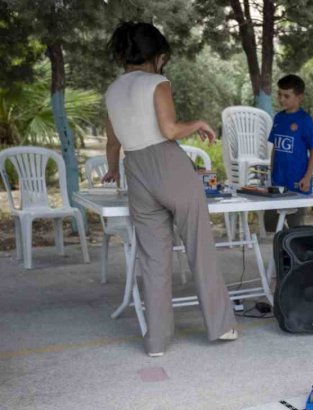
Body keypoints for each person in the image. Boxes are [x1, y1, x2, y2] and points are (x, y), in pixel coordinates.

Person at [103, 21, 237, 357]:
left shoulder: (112, 91)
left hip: (135, 170)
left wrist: (110, 171)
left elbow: (112, 143)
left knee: (153, 259)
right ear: (157, 54)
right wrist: (198, 124)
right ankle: (220, 326)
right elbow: (169, 129)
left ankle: (157, 341)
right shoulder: (157, 82)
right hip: (169, 166)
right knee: (199, 247)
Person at [263, 74, 313, 231]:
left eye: (287, 96)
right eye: (279, 94)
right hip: (278, 181)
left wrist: (307, 177)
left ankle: (294, 250)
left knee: (296, 226)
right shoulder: (278, 118)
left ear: (299, 97)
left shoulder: (305, 120)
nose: (282, 99)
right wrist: (271, 171)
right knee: (270, 224)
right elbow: (275, 147)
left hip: (297, 183)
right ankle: (285, 243)